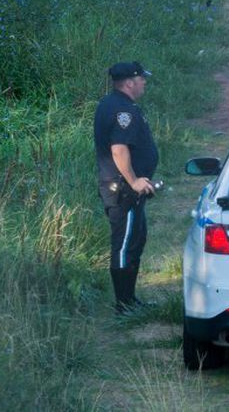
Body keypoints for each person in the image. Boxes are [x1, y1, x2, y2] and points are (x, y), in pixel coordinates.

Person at [94, 61, 160, 313]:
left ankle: (130, 300)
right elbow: (119, 149)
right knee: (123, 244)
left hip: (126, 188)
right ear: (130, 82)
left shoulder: (115, 104)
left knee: (135, 240)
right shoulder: (122, 111)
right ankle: (123, 305)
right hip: (123, 189)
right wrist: (133, 181)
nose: (144, 82)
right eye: (142, 78)